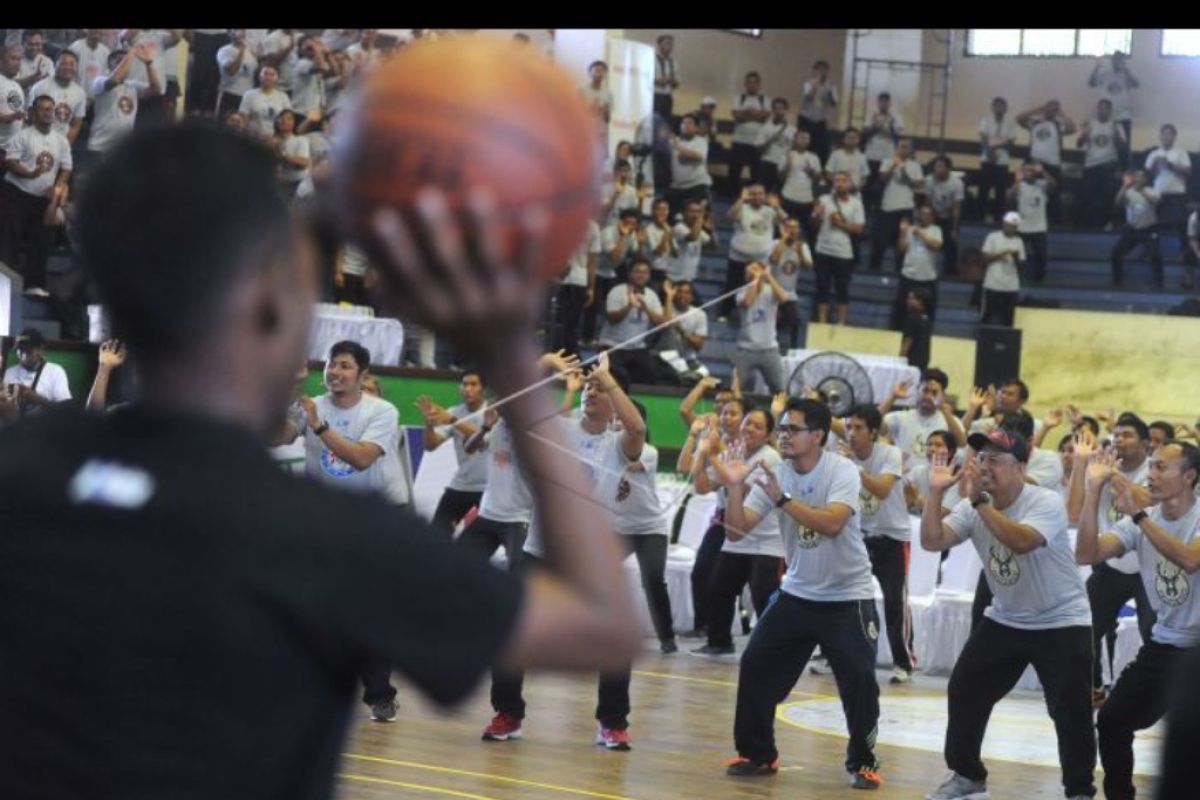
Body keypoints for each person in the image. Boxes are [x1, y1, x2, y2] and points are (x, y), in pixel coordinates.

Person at [0, 122, 641, 798]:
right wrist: (514, 353)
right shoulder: (325, 536)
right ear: (268, 302)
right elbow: (602, 627)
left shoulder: (22, 470)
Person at [714, 397, 883, 790]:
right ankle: (758, 753)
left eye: (793, 429)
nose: (784, 435)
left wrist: (783, 500)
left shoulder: (841, 470)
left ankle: (864, 761)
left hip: (848, 596)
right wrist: (735, 488)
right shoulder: (775, 471)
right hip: (798, 593)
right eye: (782, 429)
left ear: (818, 435)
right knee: (755, 663)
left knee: (859, 679)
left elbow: (833, 524)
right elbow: (738, 531)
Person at [483, 352, 648, 749]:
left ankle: (612, 722)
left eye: (600, 389)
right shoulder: (558, 428)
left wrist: (606, 377)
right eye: (588, 387)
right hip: (541, 549)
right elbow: (511, 404)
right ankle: (508, 713)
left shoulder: (618, 443)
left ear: (615, 395)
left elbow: (638, 427)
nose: (590, 393)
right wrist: (543, 366)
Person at [920, 428, 1096, 800]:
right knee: (965, 688)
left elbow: (1021, 541)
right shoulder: (972, 506)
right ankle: (967, 777)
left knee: (1070, 712)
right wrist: (935, 493)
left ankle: (1079, 791)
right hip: (1007, 618)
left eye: (995, 460)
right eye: (980, 458)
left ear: (1020, 467)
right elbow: (932, 541)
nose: (984, 467)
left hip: (1061, 620)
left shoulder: (1043, 501)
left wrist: (980, 504)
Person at [1076, 440, 1200, 800]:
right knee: (1113, 720)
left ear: (1189, 476)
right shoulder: (1141, 523)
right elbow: (1086, 553)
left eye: (1162, 467)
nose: (1151, 474)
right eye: (1151, 466)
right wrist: (1093, 489)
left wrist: (1141, 517)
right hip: (1165, 646)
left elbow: (1191, 560)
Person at [1068, 415, 1157, 707]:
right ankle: (1092, 687)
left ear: (1145, 443)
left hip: (1149, 567)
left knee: (1153, 632)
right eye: (1116, 434)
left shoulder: (1154, 470)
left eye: (1127, 435)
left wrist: (1113, 475)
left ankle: (1158, 695)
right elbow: (1074, 512)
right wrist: (1082, 464)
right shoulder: (1102, 469)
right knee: (1083, 626)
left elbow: (1148, 500)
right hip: (1111, 562)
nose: (1118, 439)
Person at [691, 408, 783, 657]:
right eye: (747, 424)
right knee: (718, 586)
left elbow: (744, 493)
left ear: (768, 435)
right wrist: (703, 453)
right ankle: (719, 642)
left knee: (764, 595)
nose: (749, 429)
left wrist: (716, 459)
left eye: (757, 426)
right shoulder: (732, 453)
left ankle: (771, 649)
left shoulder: (770, 458)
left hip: (766, 540)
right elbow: (701, 487)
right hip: (736, 536)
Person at [843, 403, 915, 683]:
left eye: (858, 428)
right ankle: (834, 654)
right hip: (858, 537)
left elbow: (883, 490)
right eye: (848, 427)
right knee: (843, 597)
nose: (851, 433)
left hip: (893, 538)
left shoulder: (890, 454)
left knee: (895, 603)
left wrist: (855, 466)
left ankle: (903, 662)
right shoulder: (841, 457)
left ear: (873, 432)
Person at [685, 395, 746, 638]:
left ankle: (745, 628)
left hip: (749, 522)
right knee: (701, 572)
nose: (726, 418)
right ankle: (704, 627)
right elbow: (700, 486)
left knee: (748, 584)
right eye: (724, 413)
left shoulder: (747, 449)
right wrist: (701, 448)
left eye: (733, 413)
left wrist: (710, 449)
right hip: (721, 519)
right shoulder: (718, 447)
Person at [0, 94, 71, 297]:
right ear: (33, 112)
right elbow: (10, 163)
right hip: (17, 194)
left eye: (50, 109)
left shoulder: (61, 141)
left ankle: (34, 285)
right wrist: (31, 174)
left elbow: (66, 168)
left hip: (42, 199)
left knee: (40, 242)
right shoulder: (22, 135)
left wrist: (57, 189)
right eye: (43, 109)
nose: (47, 112)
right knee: (9, 241)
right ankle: (6, 286)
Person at [416, 371, 489, 537]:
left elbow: (484, 437)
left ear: (483, 389)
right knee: (435, 538)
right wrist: (429, 425)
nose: (467, 389)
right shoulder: (454, 411)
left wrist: (453, 420)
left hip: (489, 490)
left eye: (473, 384)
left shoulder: (492, 411)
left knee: (477, 545)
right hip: (461, 484)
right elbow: (430, 446)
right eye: (464, 384)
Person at [600, 258, 672, 388]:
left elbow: (662, 323)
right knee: (614, 380)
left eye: (645, 272)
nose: (641, 275)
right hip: (612, 346)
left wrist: (646, 308)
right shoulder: (617, 291)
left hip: (637, 347)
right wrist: (629, 305)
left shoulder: (651, 295)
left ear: (649, 275)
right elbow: (612, 319)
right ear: (629, 274)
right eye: (637, 271)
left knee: (653, 377)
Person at [879, 368, 966, 471]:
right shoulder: (901, 417)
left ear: (942, 395)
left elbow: (961, 442)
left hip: (935, 481)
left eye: (934, 393)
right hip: (904, 478)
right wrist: (892, 397)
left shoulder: (951, 421)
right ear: (917, 390)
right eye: (925, 391)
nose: (928, 396)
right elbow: (874, 425)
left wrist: (943, 408)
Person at [87, 45, 162, 158]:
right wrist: (131, 53)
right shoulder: (100, 81)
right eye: (118, 60)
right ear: (109, 64)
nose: (123, 63)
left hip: (122, 149)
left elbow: (156, 90)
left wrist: (148, 63)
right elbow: (115, 79)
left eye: (125, 60)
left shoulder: (133, 86)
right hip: (99, 146)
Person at [721, 184, 784, 320]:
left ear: (765, 196)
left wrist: (776, 207)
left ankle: (754, 316)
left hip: (761, 259)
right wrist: (741, 199)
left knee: (759, 287)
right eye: (753, 193)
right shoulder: (742, 208)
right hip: (738, 257)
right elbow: (730, 215)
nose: (756, 196)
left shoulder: (770, 211)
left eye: (760, 193)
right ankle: (725, 314)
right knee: (732, 286)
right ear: (748, 195)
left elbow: (785, 220)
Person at [812, 171, 865, 325]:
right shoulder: (823, 199)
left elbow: (859, 229)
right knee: (822, 286)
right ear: (833, 183)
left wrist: (841, 224)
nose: (840, 183)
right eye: (837, 180)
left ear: (849, 184)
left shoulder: (856, 203)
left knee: (842, 288)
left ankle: (841, 322)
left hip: (844, 252)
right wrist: (817, 216)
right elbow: (814, 225)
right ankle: (822, 321)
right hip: (823, 249)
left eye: (843, 180)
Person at [732, 262, 789, 394]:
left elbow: (784, 298)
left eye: (755, 269)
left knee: (779, 389)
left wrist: (768, 277)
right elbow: (747, 302)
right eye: (748, 270)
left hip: (769, 349)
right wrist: (755, 281)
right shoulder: (741, 292)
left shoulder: (770, 291)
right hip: (745, 349)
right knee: (737, 388)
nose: (751, 272)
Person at [1016, 100, 1075, 226]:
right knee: (1027, 190)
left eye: (1055, 109)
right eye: (1050, 108)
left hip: (1053, 164)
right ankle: (1024, 218)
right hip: (1034, 161)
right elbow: (1019, 118)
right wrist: (1038, 109)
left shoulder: (1059, 125)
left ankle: (1054, 223)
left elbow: (1073, 128)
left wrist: (1062, 114)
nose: (1052, 110)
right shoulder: (1035, 122)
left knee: (1054, 194)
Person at [868, 138, 923, 273]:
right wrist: (893, 165)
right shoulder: (887, 161)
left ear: (910, 150)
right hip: (888, 207)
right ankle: (874, 269)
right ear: (896, 148)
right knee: (880, 241)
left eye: (906, 147)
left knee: (903, 243)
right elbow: (882, 179)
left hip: (906, 207)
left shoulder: (915, 165)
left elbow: (918, 185)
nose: (903, 149)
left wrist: (905, 173)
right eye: (901, 146)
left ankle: (900, 271)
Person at [1076, 98, 1127, 230]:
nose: (1102, 111)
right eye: (1100, 108)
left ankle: (1107, 223)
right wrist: (1084, 134)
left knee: (1107, 196)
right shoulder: (1090, 124)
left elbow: (1122, 148)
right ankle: (1086, 225)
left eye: (1105, 108)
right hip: (1090, 165)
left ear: (1110, 110)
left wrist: (1115, 132)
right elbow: (1079, 144)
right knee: (1087, 195)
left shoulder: (1117, 125)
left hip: (1108, 165)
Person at [1145, 123, 1191, 260]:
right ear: (1160, 136)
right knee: (1150, 223)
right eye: (1163, 134)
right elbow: (1147, 175)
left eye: (1169, 134)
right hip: (1157, 194)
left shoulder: (1181, 152)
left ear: (1174, 137)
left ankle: (1185, 253)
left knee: (1181, 222)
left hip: (1177, 194)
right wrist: (1155, 165)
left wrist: (1170, 164)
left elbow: (1188, 172)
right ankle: (1150, 252)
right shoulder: (1154, 154)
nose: (1166, 137)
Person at [893, 203, 943, 329]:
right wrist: (903, 232)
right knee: (901, 308)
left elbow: (936, 245)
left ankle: (924, 335)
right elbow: (901, 248)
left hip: (927, 278)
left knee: (928, 310)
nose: (924, 216)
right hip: (908, 276)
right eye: (921, 213)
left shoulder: (936, 230)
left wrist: (920, 233)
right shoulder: (910, 229)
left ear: (932, 217)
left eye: (927, 214)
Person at [1110, 169, 1162, 287]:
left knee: (1155, 255)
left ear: (1145, 179)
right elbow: (1118, 202)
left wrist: (1141, 190)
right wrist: (1124, 186)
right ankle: (1117, 281)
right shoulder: (1128, 192)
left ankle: (1158, 283)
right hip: (1132, 230)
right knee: (1116, 253)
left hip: (1149, 229)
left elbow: (1156, 201)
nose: (1137, 178)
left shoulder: (1153, 190)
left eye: (1140, 176)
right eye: (1135, 176)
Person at [767, 217, 812, 352]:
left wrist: (799, 252)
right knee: (771, 324)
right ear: (783, 229)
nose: (792, 231)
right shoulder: (774, 243)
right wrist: (783, 240)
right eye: (789, 227)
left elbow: (808, 265)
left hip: (789, 294)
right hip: (772, 293)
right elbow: (774, 259)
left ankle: (793, 350)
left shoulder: (802, 246)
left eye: (795, 227)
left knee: (796, 322)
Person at [2, 327, 72, 415]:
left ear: (41, 350)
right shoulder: (10, 372)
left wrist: (38, 399)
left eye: (28, 350)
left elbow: (66, 410)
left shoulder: (55, 372)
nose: (24, 355)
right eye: (20, 350)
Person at [1006, 159, 1053, 284]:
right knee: (1018, 257)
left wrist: (1043, 172)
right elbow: (1010, 198)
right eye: (1027, 170)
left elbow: (1053, 184)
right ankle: (1015, 279)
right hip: (1022, 228)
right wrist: (1016, 180)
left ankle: (1039, 282)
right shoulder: (1019, 186)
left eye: (1032, 170)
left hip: (1040, 228)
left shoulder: (1041, 184)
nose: (1029, 173)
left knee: (1042, 256)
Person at [28, 51, 86, 145]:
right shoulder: (39, 88)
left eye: (72, 64)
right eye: (64, 63)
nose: (68, 67)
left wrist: (65, 146)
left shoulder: (80, 93)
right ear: (55, 65)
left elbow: (76, 125)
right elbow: (31, 119)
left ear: (76, 68)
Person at [979, 211, 1025, 327]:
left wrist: (1016, 258)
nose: (1009, 228)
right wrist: (1002, 254)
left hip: (1011, 287)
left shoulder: (1019, 241)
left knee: (1009, 320)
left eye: (1012, 226)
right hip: (992, 285)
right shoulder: (992, 237)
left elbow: (1022, 266)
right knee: (987, 317)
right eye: (1007, 224)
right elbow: (984, 258)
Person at [729, 72, 771, 195]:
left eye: (755, 82)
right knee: (734, 171)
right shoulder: (739, 98)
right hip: (739, 140)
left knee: (756, 173)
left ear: (759, 84)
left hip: (757, 142)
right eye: (749, 82)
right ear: (745, 84)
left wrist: (747, 113)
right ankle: (732, 196)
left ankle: (754, 197)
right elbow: (737, 116)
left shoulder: (765, 99)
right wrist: (755, 114)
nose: (752, 85)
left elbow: (765, 116)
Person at [1088, 51, 1138, 151]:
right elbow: (1091, 83)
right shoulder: (1105, 74)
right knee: (1107, 145)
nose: (1117, 62)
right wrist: (1096, 67)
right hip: (1107, 116)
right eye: (1115, 60)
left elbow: (1136, 84)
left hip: (1124, 116)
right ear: (1112, 61)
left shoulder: (1126, 74)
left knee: (1124, 146)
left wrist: (1125, 69)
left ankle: (1124, 166)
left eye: (1120, 60)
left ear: (1123, 61)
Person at [863, 92, 904, 212]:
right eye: (881, 101)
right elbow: (865, 133)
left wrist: (891, 124)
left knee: (884, 185)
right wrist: (875, 125)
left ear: (889, 103)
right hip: (871, 154)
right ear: (878, 103)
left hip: (888, 156)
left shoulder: (896, 117)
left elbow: (898, 134)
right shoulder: (871, 115)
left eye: (886, 101)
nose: (884, 104)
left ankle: (882, 209)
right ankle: (867, 209)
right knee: (869, 184)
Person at [978, 97, 1017, 223]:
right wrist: (990, 153)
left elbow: (1011, 143)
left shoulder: (1010, 123)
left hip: (1003, 162)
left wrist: (995, 146)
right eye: (997, 106)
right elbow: (983, 139)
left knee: (1000, 191)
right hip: (987, 160)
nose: (999, 108)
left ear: (1005, 108)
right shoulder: (986, 120)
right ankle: (980, 217)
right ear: (993, 107)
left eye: (1002, 106)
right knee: (984, 190)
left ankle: (998, 219)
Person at [779, 128, 822, 242]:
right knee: (784, 227)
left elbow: (818, 180)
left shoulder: (814, 157)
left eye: (806, 138)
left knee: (809, 231)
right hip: (788, 195)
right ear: (795, 139)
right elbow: (780, 178)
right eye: (801, 137)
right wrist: (788, 164)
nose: (804, 140)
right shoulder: (787, 155)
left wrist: (811, 172)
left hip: (806, 199)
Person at [923, 156, 963, 276]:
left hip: (950, 215)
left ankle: (950, 271)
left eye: (941, 166)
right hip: (934, 214)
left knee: (951, 242)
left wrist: (954, 228)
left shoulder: (957, 183)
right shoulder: (929, 180)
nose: (938, 169)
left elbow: (957, 207)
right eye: (936, 166)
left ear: (948, 169)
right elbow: (928, 202)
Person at [667, 115, 711, 215]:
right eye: (683, 123)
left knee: (696, 218)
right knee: (672, 218)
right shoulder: (673, 141)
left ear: (696, 128)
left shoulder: (701, 141)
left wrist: (677, 144)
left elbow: (695, 156)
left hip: (696, 187)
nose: (686, 125)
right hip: (676, 187)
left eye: (689, 123)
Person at [799, 60, 837, 164]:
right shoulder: (808, 84)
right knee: (805, 145)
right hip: (807, 119)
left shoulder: (831, 86)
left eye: (824, 70)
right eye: (819, 69)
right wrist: (816, 86)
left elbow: (834, 103)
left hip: (821, 120)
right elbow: (808, 98)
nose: (822, 72)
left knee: (821, 148)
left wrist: (828, 91)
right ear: (815, 71)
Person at [753, 98, 794, 194]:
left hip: (783, 165)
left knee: (780, 194)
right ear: (772, 110)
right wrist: (771, 139)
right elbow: (758, 149)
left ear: (786, 109)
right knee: (763, 192)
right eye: (776, 108)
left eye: (781, 108)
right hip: (767, 162)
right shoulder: (765, 127)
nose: (778, 111)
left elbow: (793, 150)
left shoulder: (792, 130)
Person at [239, 65, 292, 140]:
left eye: (272, 75)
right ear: (259, 76)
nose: (268, 77)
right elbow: (243, 119)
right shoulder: (249, 95)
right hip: (253, 139)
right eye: (265, 74)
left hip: (276, 140)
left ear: (277, 79)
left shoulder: (283, 97)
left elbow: (288, 120)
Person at [899, 289, 933, 371]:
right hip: (923, 361)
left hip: (911, 362)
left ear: (920, 301)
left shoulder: (912, 318)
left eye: (911, 298)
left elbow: (908, 340)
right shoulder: (927, 319)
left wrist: (900, 360)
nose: (908, 301)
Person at [652, 35, 678, 119]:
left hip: (668, 97)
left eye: (671, 44)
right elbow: (647, 78)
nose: (670, 46)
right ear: (659, 44)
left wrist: (673, 81)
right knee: (656, 121)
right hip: (656, 95)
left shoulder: (673, 62)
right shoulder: (652, 59)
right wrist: (659, 81)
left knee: (666, 122)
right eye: (667, 43)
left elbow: (677, 82)